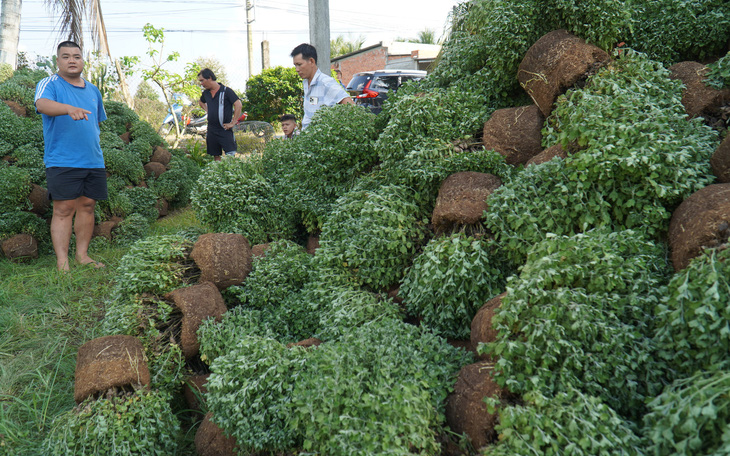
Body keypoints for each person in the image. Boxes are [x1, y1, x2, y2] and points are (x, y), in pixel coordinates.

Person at [34, 41, 108, 272]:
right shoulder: (50, 84)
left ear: (82, 60)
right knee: (64, 209)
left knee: (87, 205)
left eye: (76, 56)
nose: (72, 60)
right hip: (63, 160)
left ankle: (82, 255)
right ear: (58, 61)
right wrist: (67, 108)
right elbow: (42, 104)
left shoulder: (93, 90)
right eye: (66, 56)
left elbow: (96, 123)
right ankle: (62, 263)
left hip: (93, 160)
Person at [290, 43, 353, 130]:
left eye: (299, 64)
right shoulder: (306, 82)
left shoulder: (326, 83)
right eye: (295, 65)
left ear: (311, 61)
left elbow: (352, 107)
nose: (297, 69)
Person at [197, 68, 243, 161]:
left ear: (209, 78)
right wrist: (208, 110)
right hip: (211, 129)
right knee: (216, 155)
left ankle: (230, 173)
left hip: (224, 129)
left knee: (230, 155)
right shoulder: (206, 93)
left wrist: (233, 122)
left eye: (202, 80)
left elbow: (238, 105)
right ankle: (218, 173)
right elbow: (201, 102)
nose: (201, 83)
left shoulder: (226, 91)